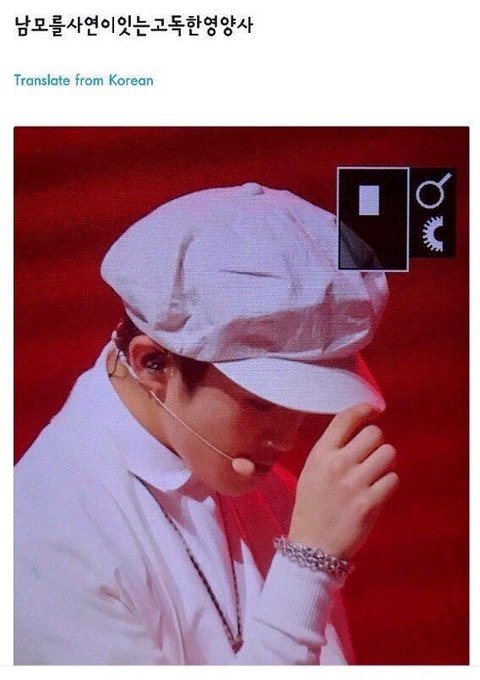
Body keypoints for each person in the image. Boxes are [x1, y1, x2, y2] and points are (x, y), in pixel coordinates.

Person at [14, 181, 399, 665]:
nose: (288, 438)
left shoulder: (267, 487)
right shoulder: (42, 535)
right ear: (152, 363)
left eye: (303, 401)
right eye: (261, 403)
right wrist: (309, 566)